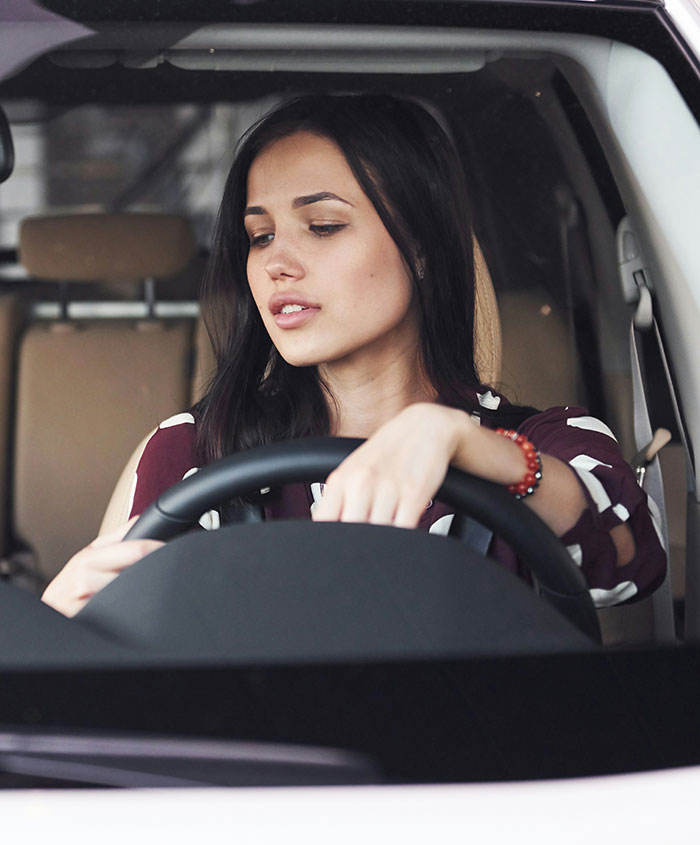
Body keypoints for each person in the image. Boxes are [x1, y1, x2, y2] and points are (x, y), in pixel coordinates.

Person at [42, 93, 666, 618]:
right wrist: (59, 629)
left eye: (323, 226)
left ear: (420, 248)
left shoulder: (545, 441)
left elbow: (632, 560)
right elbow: (126, 655)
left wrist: (466, 446)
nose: (276, 263)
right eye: (260, 237)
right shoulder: (194, 450)